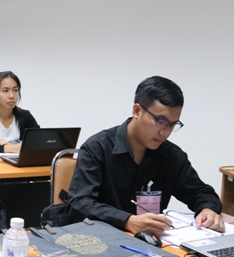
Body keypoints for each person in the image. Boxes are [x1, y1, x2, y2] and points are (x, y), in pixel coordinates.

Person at [65, 76, 225, 235]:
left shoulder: (171, 155)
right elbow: (78, 203)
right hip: (101, 239)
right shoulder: (98, 148)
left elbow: (201, 192)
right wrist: (127, 221)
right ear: (137, 111)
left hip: (153, 242)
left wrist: (207, 209)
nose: (165, 133)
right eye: (160, 121)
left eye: (172, 125)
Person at [0, 70, 39, 154]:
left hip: (18, 162)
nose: (11, 96)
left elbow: (39, 141)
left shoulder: (25, 116)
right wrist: (13, 148)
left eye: (15, 90)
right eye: (5, 91)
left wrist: (9, 146)